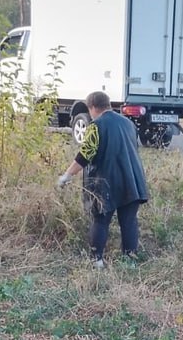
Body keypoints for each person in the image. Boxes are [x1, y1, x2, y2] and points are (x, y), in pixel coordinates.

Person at [57, 91, 149, 267]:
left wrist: (67, 175)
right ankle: (130, 261)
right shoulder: (128, 123)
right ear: (108, 104)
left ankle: (97, 260)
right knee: (129, 222)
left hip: (107, 182)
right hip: (133, 180)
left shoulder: (96, 126)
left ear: (92, 107)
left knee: (100, 219)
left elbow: (85, 154)